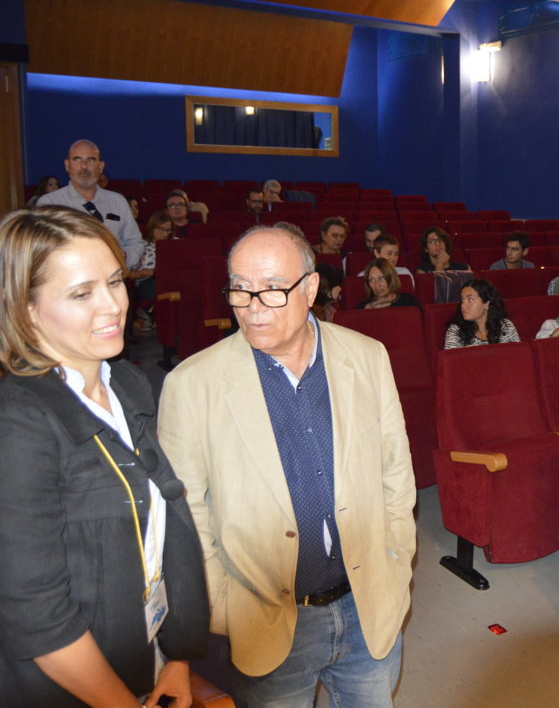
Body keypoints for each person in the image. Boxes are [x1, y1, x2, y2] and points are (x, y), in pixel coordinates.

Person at [158, 225, 417, 706]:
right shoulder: (190, 385)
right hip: (267, 622)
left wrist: (396, 562)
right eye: (239, 288)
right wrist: (226, 610)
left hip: (369, 603)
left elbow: (395, 474)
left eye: (273, 288)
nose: (252, 306)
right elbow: (185, 519)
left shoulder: (367, 357)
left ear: (311, 288)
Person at [0, 207, 208, 707]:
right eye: (81, 293)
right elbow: (39, 617)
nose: (113, 305)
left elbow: (162, 531)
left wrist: (176, 658)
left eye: (115, 282)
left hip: (144, 657)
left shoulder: (129, 383)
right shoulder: (18, 423)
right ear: (27, 310)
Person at [38, 139, 146, 268]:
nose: (84, 166)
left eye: (91, 160)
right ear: (67, 165)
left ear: (100, 166)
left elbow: (135, 242)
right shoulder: (49, 204)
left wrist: (123, 257)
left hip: (112, 275)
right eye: (77, 159)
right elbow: (41, 251)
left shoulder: (118, 201)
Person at [128, 211, 175, 332]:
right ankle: (147, 312)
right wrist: (151, 272)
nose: (165, 233)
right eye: (161, 229)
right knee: (156, 284)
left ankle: (150, 315)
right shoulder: (142, 246)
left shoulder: (176, 243)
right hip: (148, 281)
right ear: (152, 228)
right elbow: (133, 271)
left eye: (168, 230)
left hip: (172, 279)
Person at [444, 278, 519, 348]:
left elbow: (519, 353)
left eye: (470, 299)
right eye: (462, 300)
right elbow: (451, 357)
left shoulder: (505, 326)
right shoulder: (456, 331)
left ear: (487, 304)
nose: (463, 305)